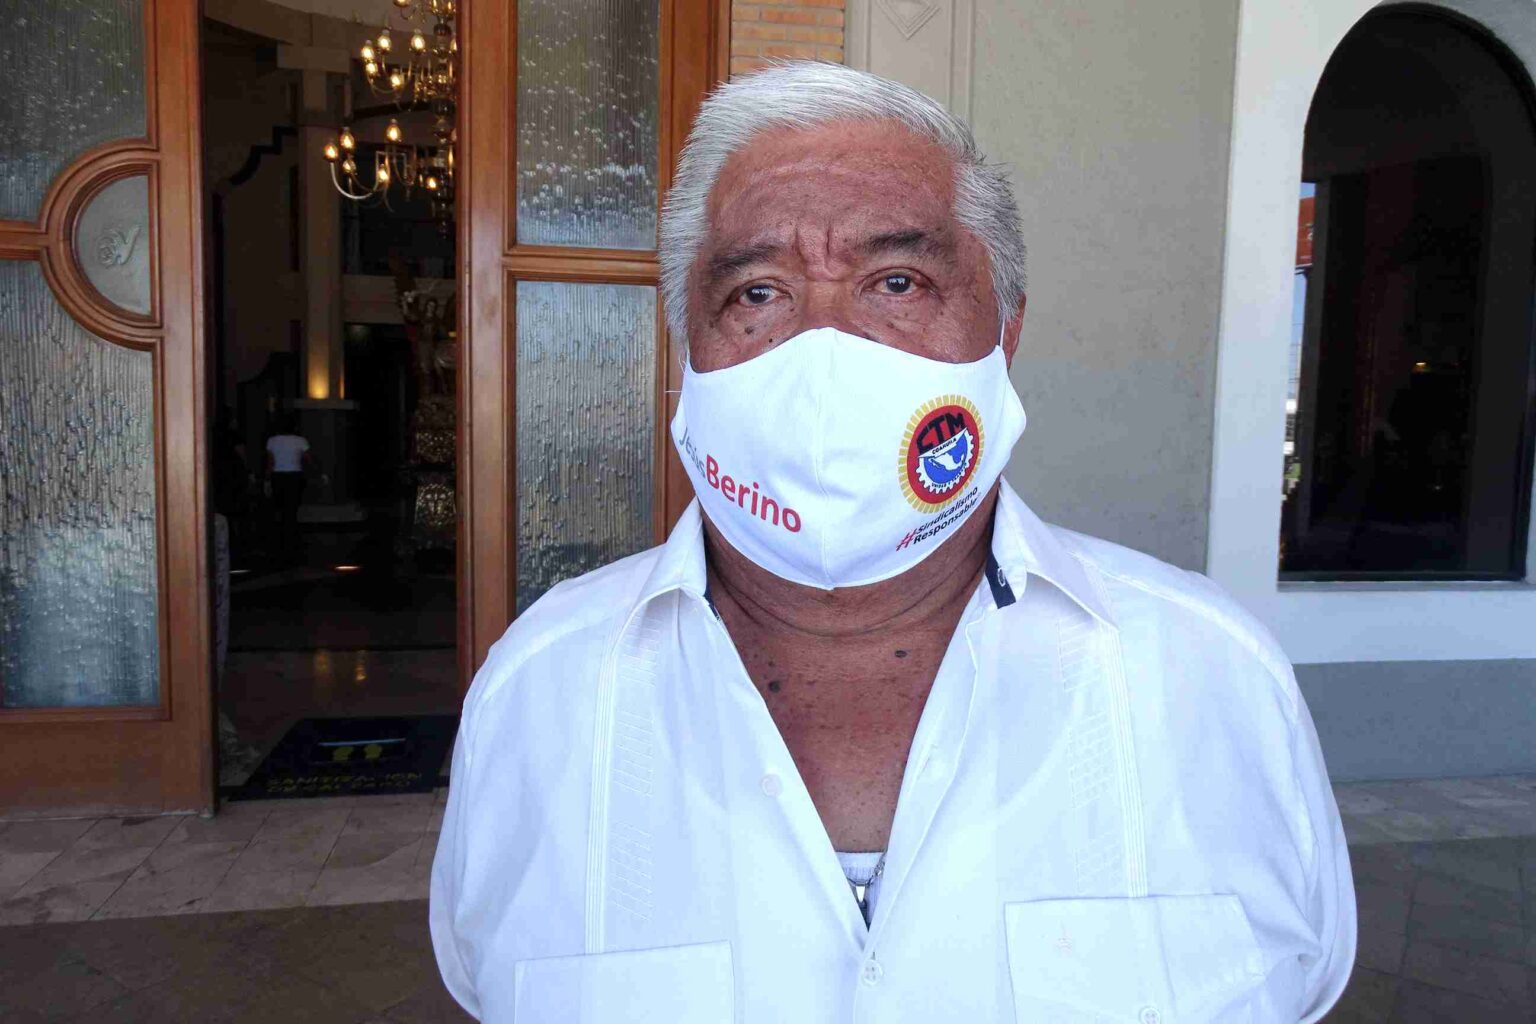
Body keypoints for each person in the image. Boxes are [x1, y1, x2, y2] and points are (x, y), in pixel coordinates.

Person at [431, 63, 1356, 1023]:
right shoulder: (537, 696)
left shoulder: (1215, 677)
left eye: (898, 282)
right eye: (757, 292)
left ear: (1006, 329)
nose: (825, 348)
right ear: (686, 346)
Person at [264, 414, 312, 565]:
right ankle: (291, 537)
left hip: (278, 476)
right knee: (292, 508)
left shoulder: (272, 441)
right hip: (295, 476)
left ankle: (280, 538)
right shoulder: (300, 441)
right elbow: (308, 459)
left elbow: (270, 462)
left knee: (279, 507)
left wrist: (267, 479)